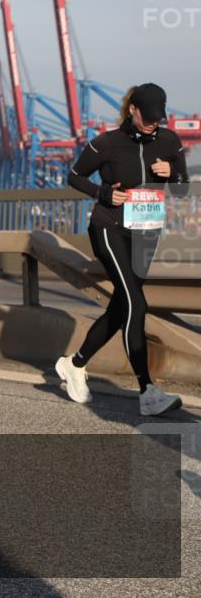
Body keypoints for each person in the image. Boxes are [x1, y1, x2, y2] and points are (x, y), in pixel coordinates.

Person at [56, 83, 190, 416]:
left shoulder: (169, 141)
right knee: (136, 303)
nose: (153, 123)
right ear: (132, 109)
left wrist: (172, 172)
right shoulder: (107, 143)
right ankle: (148, 391)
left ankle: (74, 364)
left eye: (158, 117)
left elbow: (182, 190)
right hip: (109, 227)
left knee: (122, 307)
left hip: (146, 231)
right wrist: (103, 194)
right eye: (148, 116)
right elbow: (74, 176)